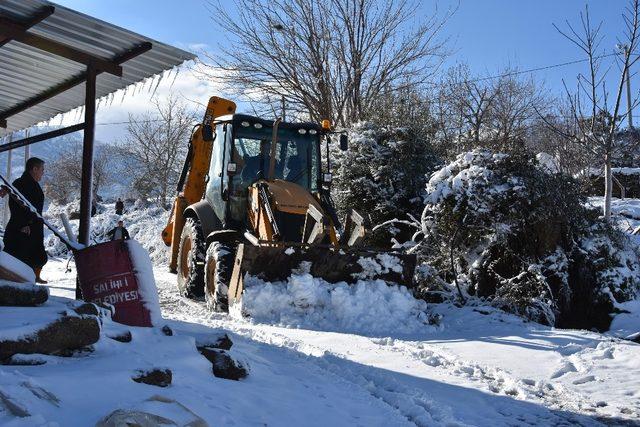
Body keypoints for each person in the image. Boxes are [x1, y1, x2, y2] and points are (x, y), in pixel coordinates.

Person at [3, 157, 48, 283]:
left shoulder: (33, 184)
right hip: (22, 227)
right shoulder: (20, 183)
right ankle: (18, 281)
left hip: (34, 227)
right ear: (34, 169)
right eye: (42, 170)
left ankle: (34, 277)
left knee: (38, 256)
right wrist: (24, 224)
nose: (43, 173)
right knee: (20, 255)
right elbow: (15, 206)